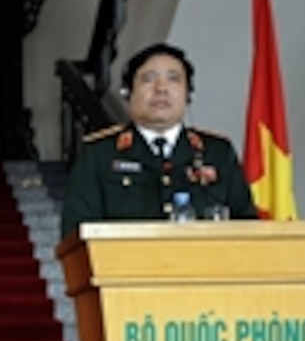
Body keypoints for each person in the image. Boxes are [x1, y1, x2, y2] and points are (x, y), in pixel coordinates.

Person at [60, 42, 257, 236]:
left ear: (188, 94)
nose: (161, 88)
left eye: (173, 79)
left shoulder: (218, 152)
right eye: (148, 79)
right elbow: (76, 235)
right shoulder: (99, 154)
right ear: (128, 92)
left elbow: (249, 228)